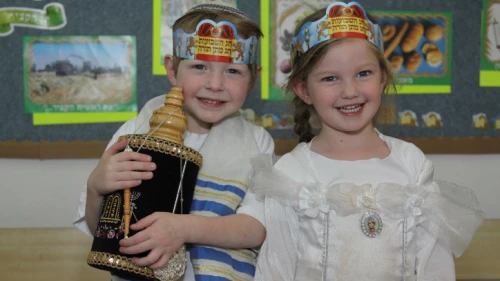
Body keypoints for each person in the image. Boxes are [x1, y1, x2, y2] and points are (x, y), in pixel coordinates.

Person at [249, 2, 485, 280]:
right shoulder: (290, 174)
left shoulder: (411, 163)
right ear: (303, 90)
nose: (350, 91)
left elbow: (436, 267)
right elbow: (275, 270)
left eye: (363, 73)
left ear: (382, 77)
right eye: (330, 78)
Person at [73, 2, 272, 281]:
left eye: (233, 71)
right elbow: (102, 232)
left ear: (253, 79)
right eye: (199, 66)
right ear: (171, 69)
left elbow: (256, 228)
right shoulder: (134, 132)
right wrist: (96, 188)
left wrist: (183, 228)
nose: (215, 84)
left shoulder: (257, 142)